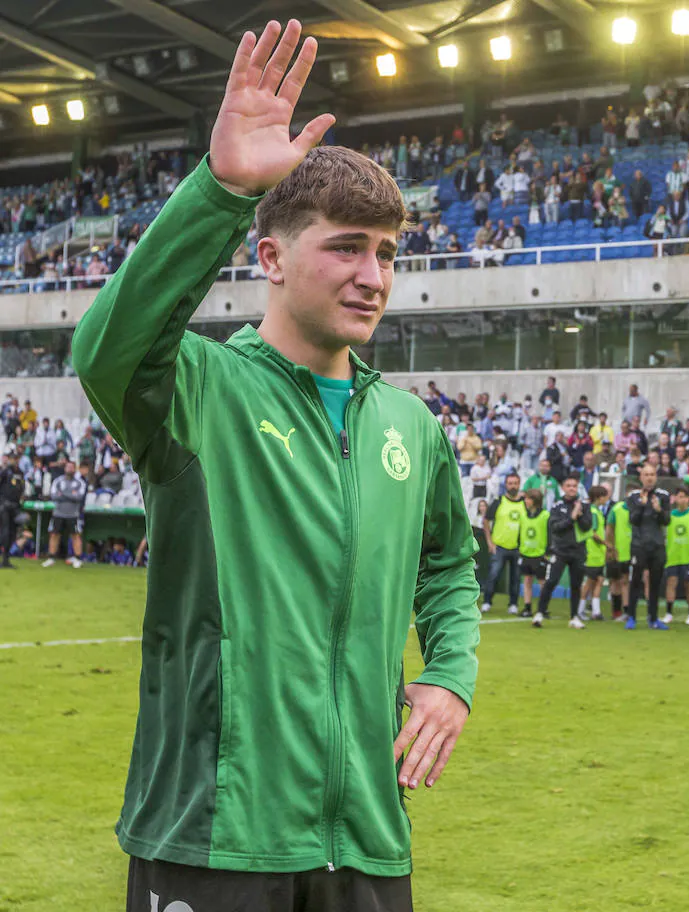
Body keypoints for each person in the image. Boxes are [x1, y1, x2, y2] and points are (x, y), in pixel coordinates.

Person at [71, 21, 479, 910]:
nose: (374, 275)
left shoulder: (411, 425)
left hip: (368, 838)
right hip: (216, 834)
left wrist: (450, 675)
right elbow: (105, 350)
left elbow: (449, 565)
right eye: (345, 246)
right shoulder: (199, 391)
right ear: (270, 257)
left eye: (388, 253)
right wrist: (220, 191)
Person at [536, 476, 593, 627]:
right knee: (551, 582)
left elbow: (588, 527)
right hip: (560, 551)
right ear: (563, 488)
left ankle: (574, 617)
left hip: (578, 551)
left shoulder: (584, 506)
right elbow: (555, 527)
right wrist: (571, 518)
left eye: (574, 485)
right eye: (569, 485)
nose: (572, 488)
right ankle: (540, 613)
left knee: (576, 585)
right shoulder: (557, 505)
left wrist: (579, 516)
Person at [625, 462, 672, 630]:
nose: (649, 478)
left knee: (656, 582)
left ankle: (653, 618)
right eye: (646, 475)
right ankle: (631, 616)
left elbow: (667, 521)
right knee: (635, 580)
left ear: (656, 477)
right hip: (639, 545)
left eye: (652, 474)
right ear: (641, 477)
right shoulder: (633, 496)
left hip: (657, 544)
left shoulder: (664, 496)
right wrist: (641, 505)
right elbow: (633, 520)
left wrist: (659, 510)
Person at [485, 472, 525, 613]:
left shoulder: (524, 503)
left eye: (515, 483)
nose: (513, 486)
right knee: (493, 575)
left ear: (519, 484)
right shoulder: (498, 501)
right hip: (499, 546)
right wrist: (490, 542)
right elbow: (486, 519)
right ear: (506, 485)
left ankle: (513, 604)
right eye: (510, 483)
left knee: (515, 577)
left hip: (517, 547)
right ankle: (487, 602)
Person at [663, 488, 689, 625]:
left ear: (688, 499)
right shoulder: (670, 515)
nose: (682, 499)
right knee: (671, 582)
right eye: (679, 496)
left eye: (684, 497)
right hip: (673, 555)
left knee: (688, 584)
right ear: (675, 499)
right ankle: (668, 613)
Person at [577, 485, 611, 621]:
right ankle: (579, 610)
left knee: (599, 580)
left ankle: (596, 611)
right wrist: (605, 543)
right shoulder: (593, 512)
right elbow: (593, 532)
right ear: (599, 497)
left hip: (598, 554)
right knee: (590, 582)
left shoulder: (596, 511)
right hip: (592, 552)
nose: (607, 499)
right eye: (605, 496)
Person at [517, 489, 550, 617]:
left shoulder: (545, 515)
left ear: (535, 501)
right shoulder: (524, 515)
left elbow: (550, 533)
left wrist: (548, 551)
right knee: (527, 580)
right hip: (525, 553)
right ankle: (527, 607)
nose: (525, 501)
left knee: (542, 582)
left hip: (540, 554)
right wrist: (520, 547)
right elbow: (520, 533)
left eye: (528, 499)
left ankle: (543, 608)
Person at [605, 495, 634, 620]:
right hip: (618, 550)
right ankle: (616, 611)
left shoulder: (640, 508)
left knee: (626, 581)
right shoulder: (616, 509)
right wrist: (610, 547)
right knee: (615, 580)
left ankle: (627, 610)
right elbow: (609, 529)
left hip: (635, 551)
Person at [0, 448, 22, 567]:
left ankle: (6, 560)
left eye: (16, 458)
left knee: (12, 533)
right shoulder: (4, 472)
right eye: (13, 458)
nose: (14, 460)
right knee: (5, 532)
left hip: (15, 506)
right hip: (4, 505)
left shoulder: (20, 472)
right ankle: (4, 559)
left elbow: (21, 488)